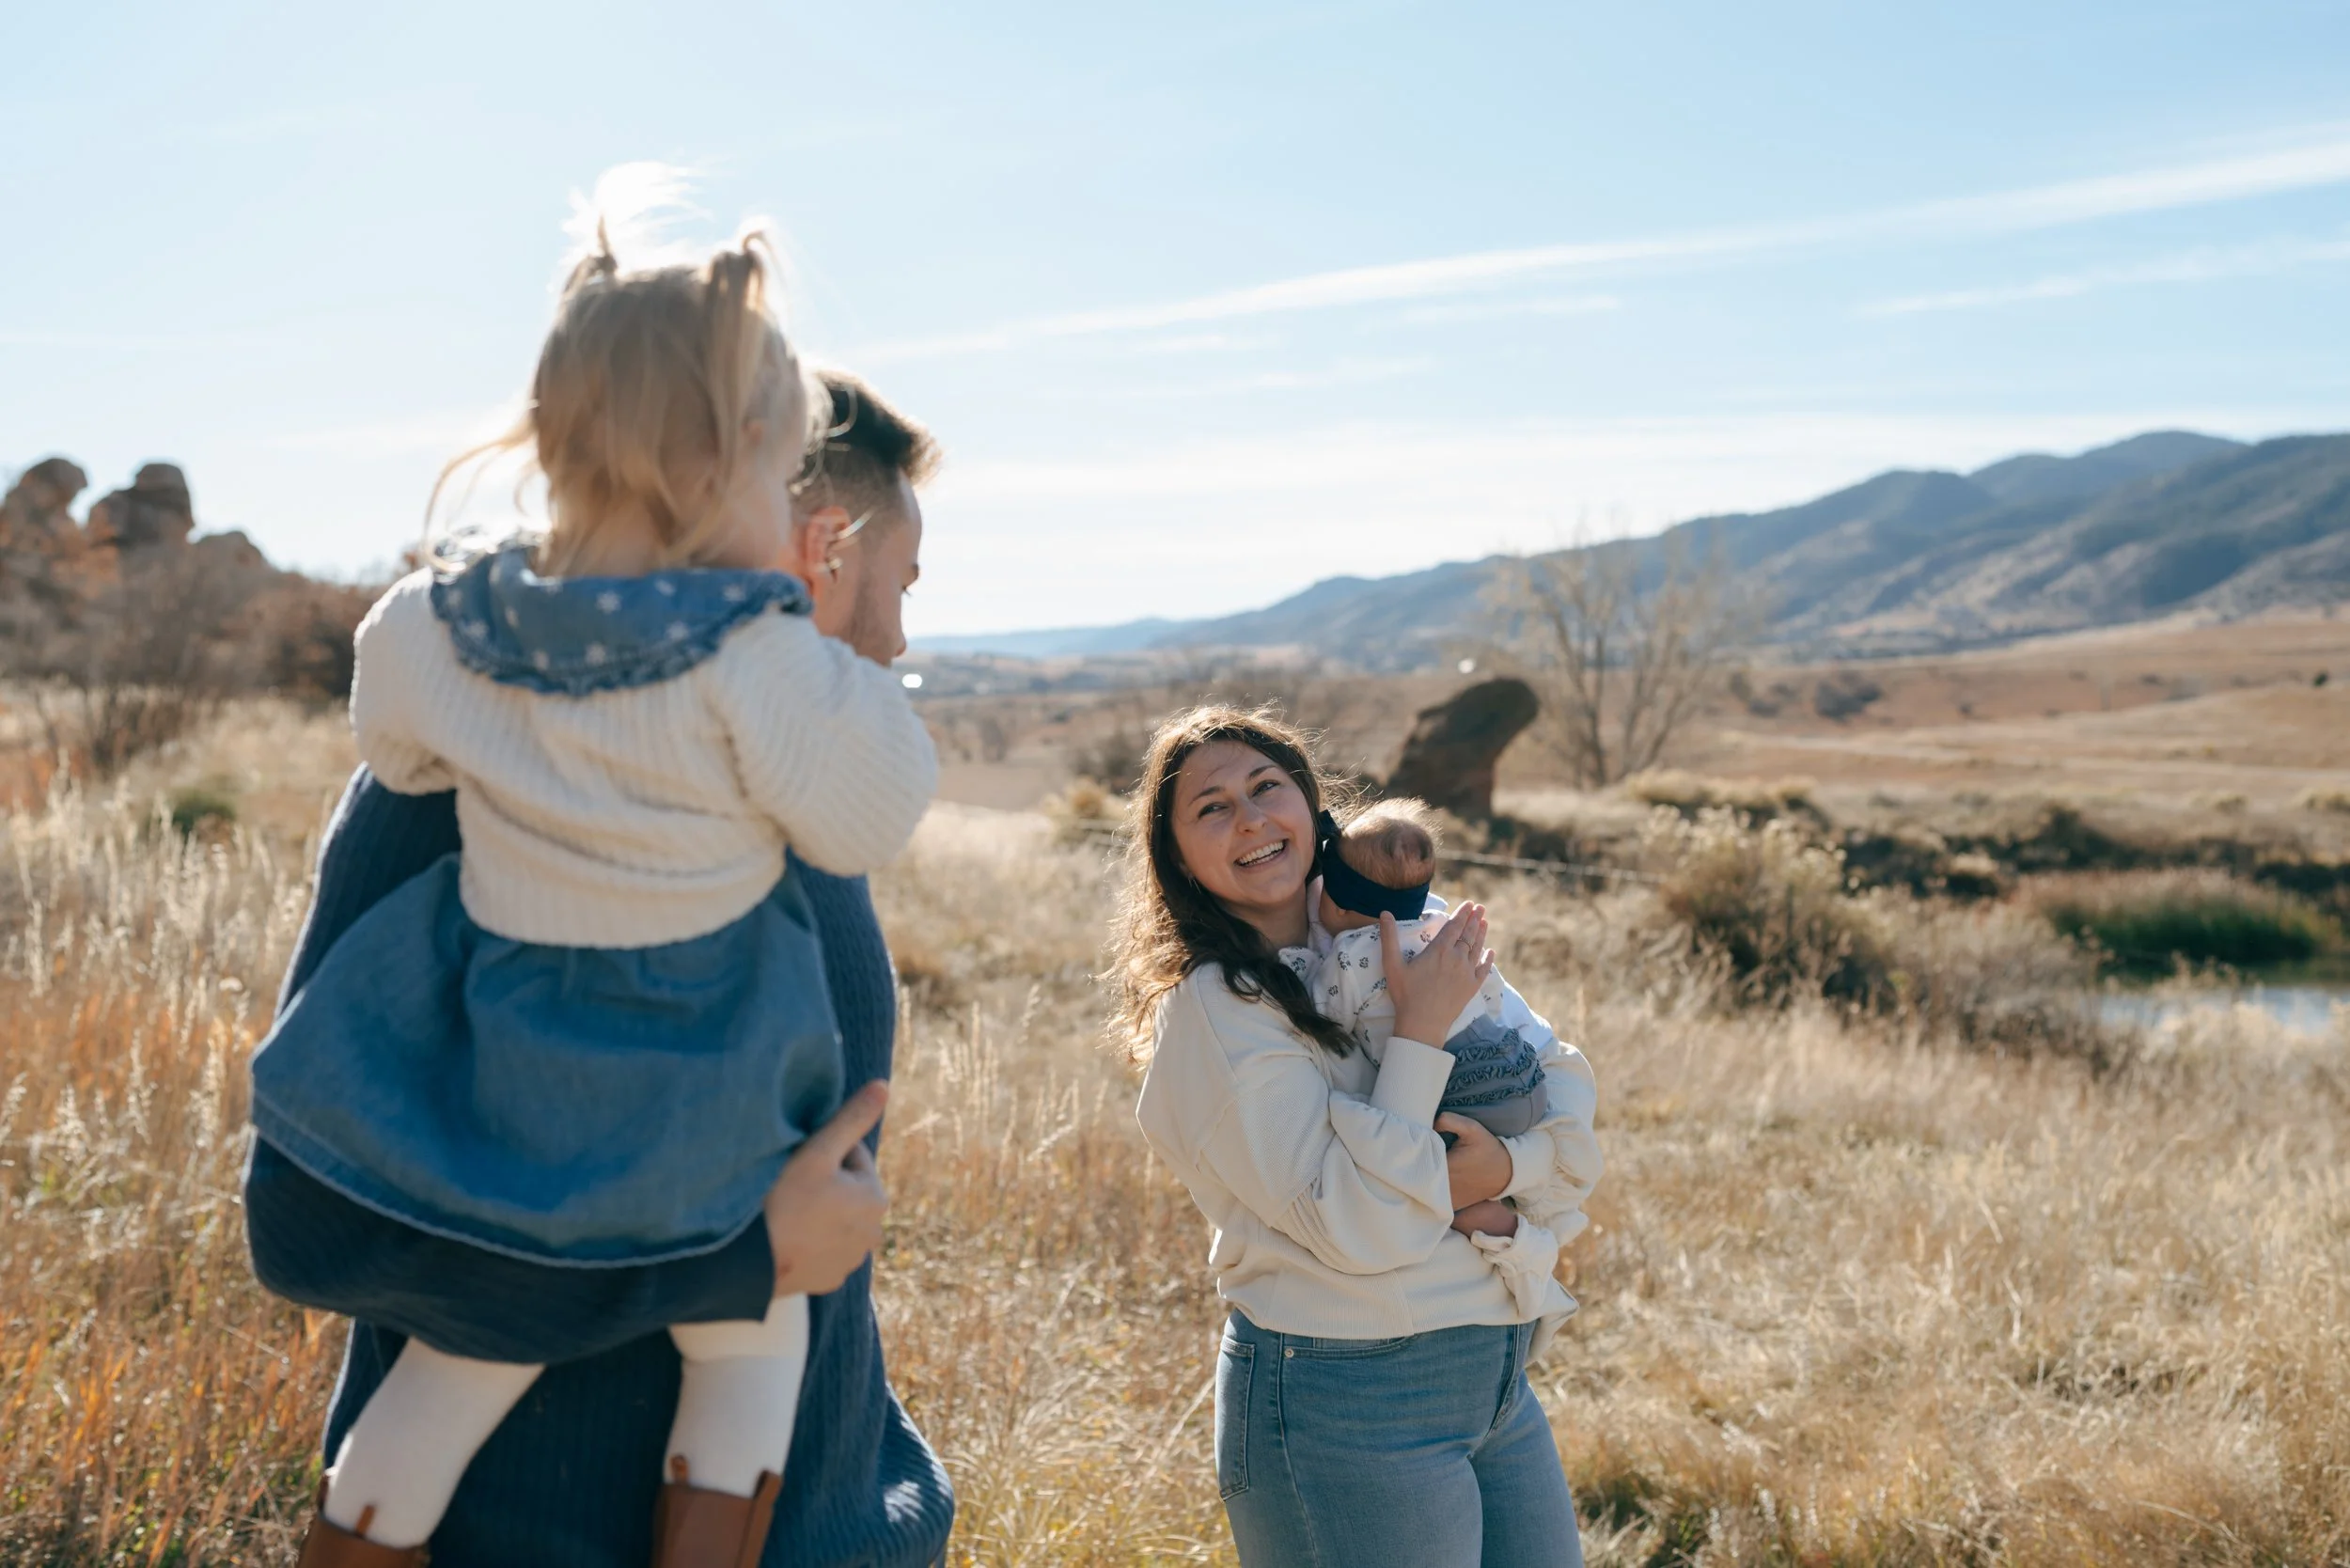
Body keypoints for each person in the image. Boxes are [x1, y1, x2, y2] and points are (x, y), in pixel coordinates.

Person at [247, 225, 937, 1568]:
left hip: (828, 1500)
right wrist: (733, 1265)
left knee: (455, 1386)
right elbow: (319, 1219)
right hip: (533, 1530)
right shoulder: (761, 691)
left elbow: (391, 710)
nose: (894, 633)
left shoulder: (460, 661)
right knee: (747, 1351)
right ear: (731, 478)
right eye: (797, 497)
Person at [1115, 707, 1604, 1568]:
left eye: (1268, 788)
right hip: (1344, 1394)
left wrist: (1508, 1164)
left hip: (1493, 1376)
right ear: (1179, 858)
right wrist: (1418, 1036)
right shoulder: (1219, 1010)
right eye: (1212, 808)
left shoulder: (1411, 925)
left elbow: (1558, 1083)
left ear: (1311, 806)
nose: (1253, 818)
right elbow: (1355, 1229)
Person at [1285, 798, 1598, 1311]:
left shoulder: (1349, 956)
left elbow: (1325, 1010)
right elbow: (1492, 993)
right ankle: (1536, 1225)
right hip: (1517, 1072)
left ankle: (1511, 1239)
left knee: (1428, 1179)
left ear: (1336, 906)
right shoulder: (1441, 929)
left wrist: (1298, 966)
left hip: (1460, 1093)